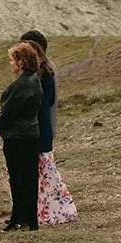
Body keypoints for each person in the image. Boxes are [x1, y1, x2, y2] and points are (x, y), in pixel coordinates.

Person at [22, 31, 79, 226]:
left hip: (37, 129)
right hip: (43, 127)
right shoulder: (46, 70)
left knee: (43, 172)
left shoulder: (38, 75)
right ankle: (43, 211)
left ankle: (54, 211)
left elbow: (34, 104)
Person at [0, 42, 43, 232]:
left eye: (12, 61)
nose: (10, 64)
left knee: (18, 178)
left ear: (20, 62)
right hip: (30, 133)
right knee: (29, 178)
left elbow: (10, 112)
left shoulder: (21, 84)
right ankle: (30, 219)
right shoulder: (34, 79)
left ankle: (17, 219)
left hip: (17, 136)